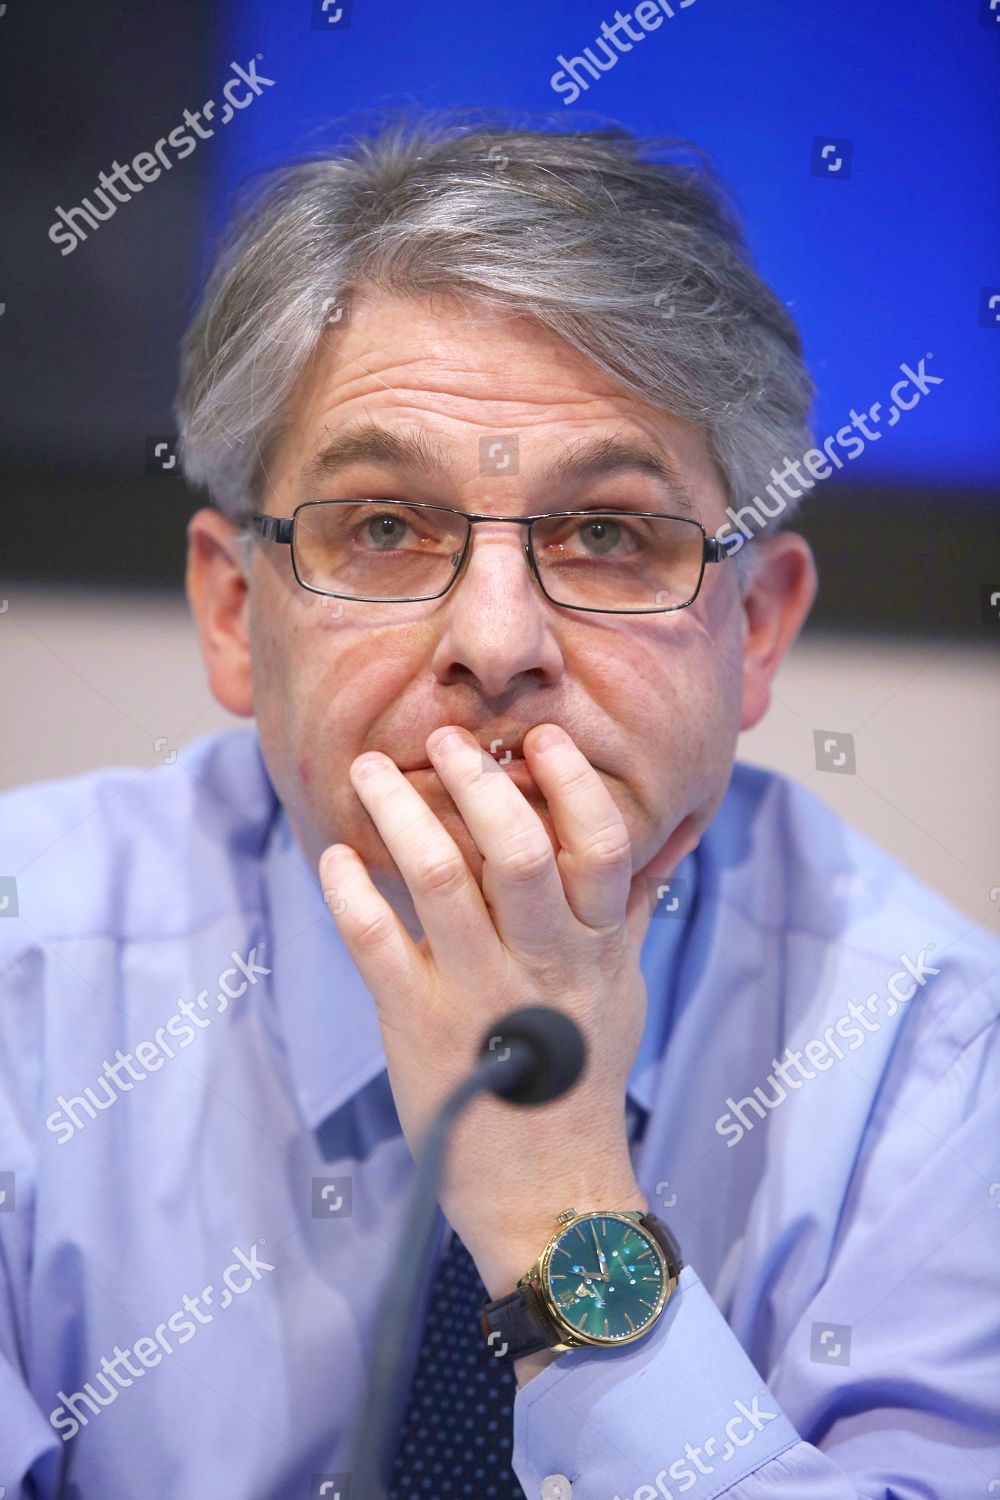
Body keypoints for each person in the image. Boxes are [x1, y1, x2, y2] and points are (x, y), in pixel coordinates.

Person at [1, 114, 996, 1500]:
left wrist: (557, 1204)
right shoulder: (24, 977)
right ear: (236, 616)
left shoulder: (945, 1065)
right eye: (386, 526)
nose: (496, 640)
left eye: (608, 534)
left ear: (755, 633)